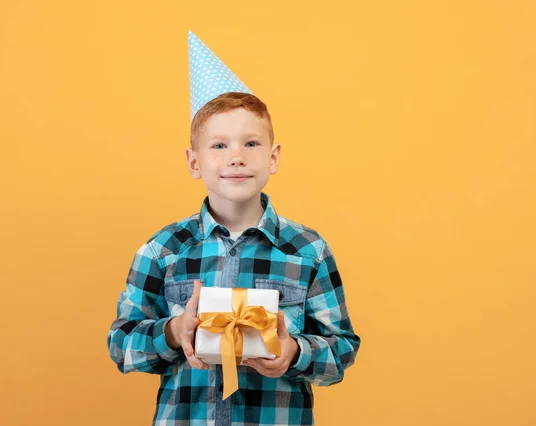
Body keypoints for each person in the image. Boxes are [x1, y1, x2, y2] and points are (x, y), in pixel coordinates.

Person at [106, 30, 361, 426]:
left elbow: (342, 351)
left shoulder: (308, 251)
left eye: (252, 144)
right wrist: (174, 332)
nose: (237, 158)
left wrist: (294, 352)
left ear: (274, 157)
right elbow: (120, 346)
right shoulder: (163, 250)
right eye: (219, 146)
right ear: (194, 162)